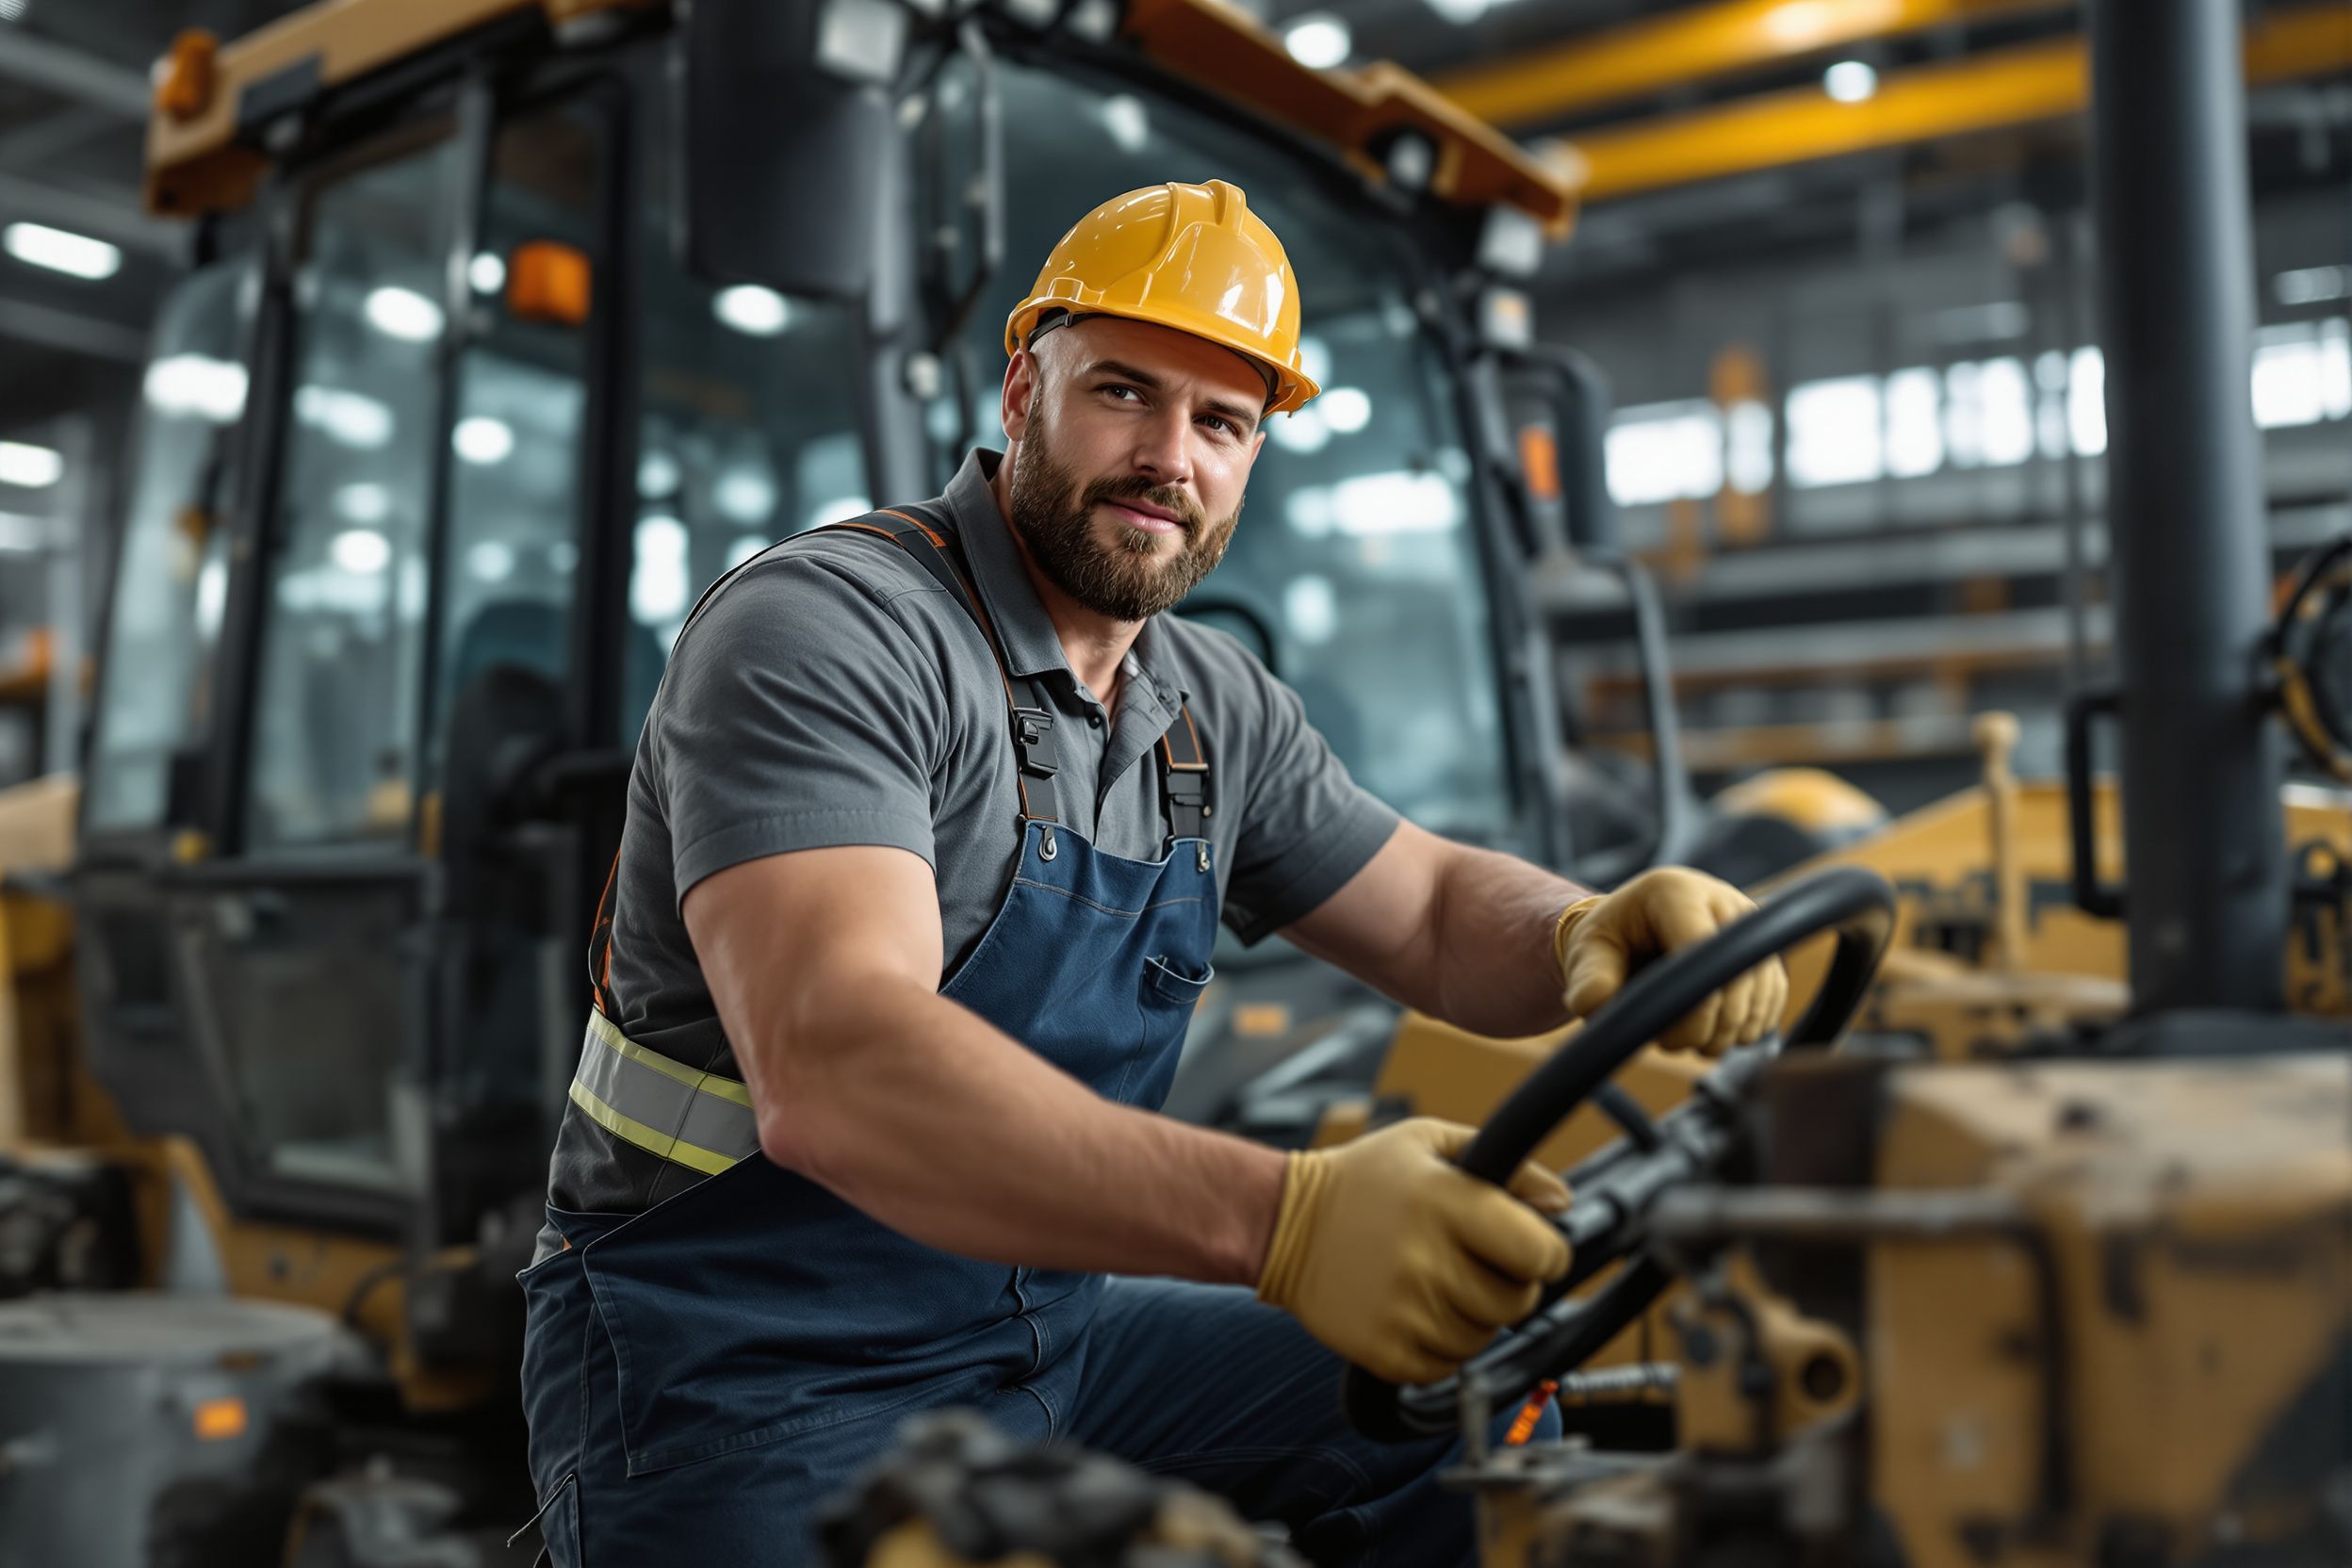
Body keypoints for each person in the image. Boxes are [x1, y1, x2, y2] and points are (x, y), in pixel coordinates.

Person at [515, 179, 1786, 1566]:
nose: (1168, 455)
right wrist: (1286, 1222)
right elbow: (836, 1069)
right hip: (739, 1361)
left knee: (1477, 1405)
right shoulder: (831, 631)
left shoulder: (1206, 704)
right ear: (1022, 387)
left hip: (1040, 1336)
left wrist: (1584, 928)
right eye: (1125, 391)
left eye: (1222, 421)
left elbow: (1422, 906)